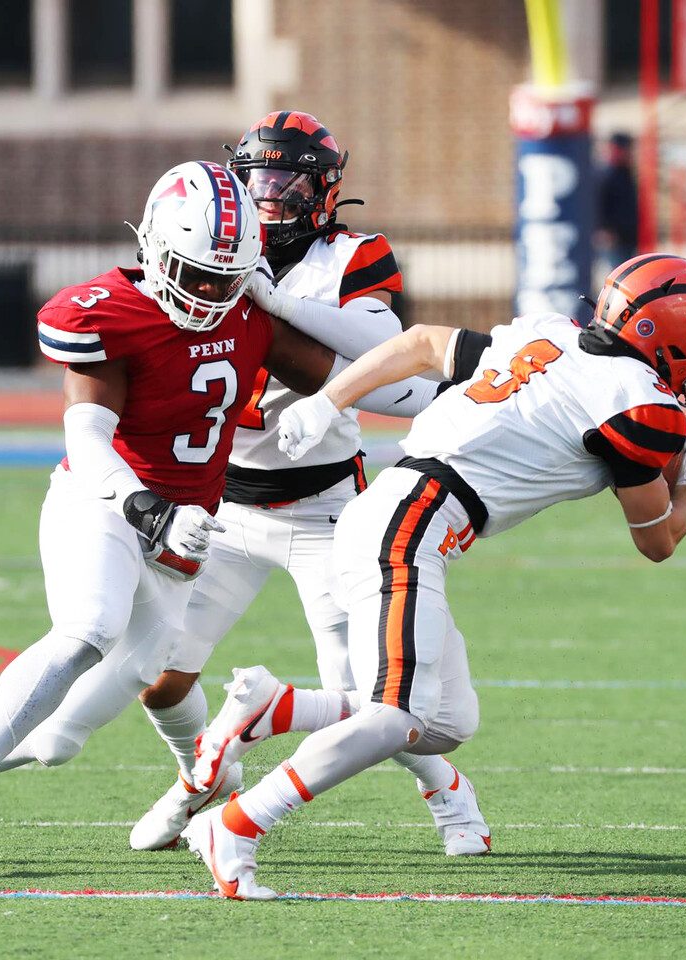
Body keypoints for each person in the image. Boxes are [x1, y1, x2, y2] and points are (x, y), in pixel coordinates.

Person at [0, 160, 437, 867]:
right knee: (87, 628)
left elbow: (367, 385)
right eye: (197, 273)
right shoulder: (108, 312)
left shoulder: (248, 312)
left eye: (226, 276)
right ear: (152, 245)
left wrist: (471, 393)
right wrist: (146, 509)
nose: (210, 294)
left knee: (58, 738)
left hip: (187, 528)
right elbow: (85, 439)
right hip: (106, 502)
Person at [181, 253, 686, 899]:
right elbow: (659, 539)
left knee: (445, 723)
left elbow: (419, 344)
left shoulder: (547, 333)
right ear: (655, 331)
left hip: (404, 517)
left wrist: (331, 401)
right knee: (397, 716)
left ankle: (279, 708)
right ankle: (239, 824)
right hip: (411, 524)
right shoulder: (639, 405)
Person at [122, 110, 488, 856]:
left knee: (373, 696)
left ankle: (448, 793)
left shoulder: (355, 255)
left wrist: (276, 301)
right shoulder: (205, 247)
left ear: (325, 191)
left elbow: (390, 348)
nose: (271, 193)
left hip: (326, 509)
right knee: (157, 676)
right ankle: (201, 775)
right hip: (220, 507)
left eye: (290, 179)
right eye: (258, 176)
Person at [594, 132, 638, 285]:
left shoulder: (625, 173)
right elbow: (597, 204)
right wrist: (603, 229)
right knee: (619, 279)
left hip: (628, 235)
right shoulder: (606, 174)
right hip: (615, 238)